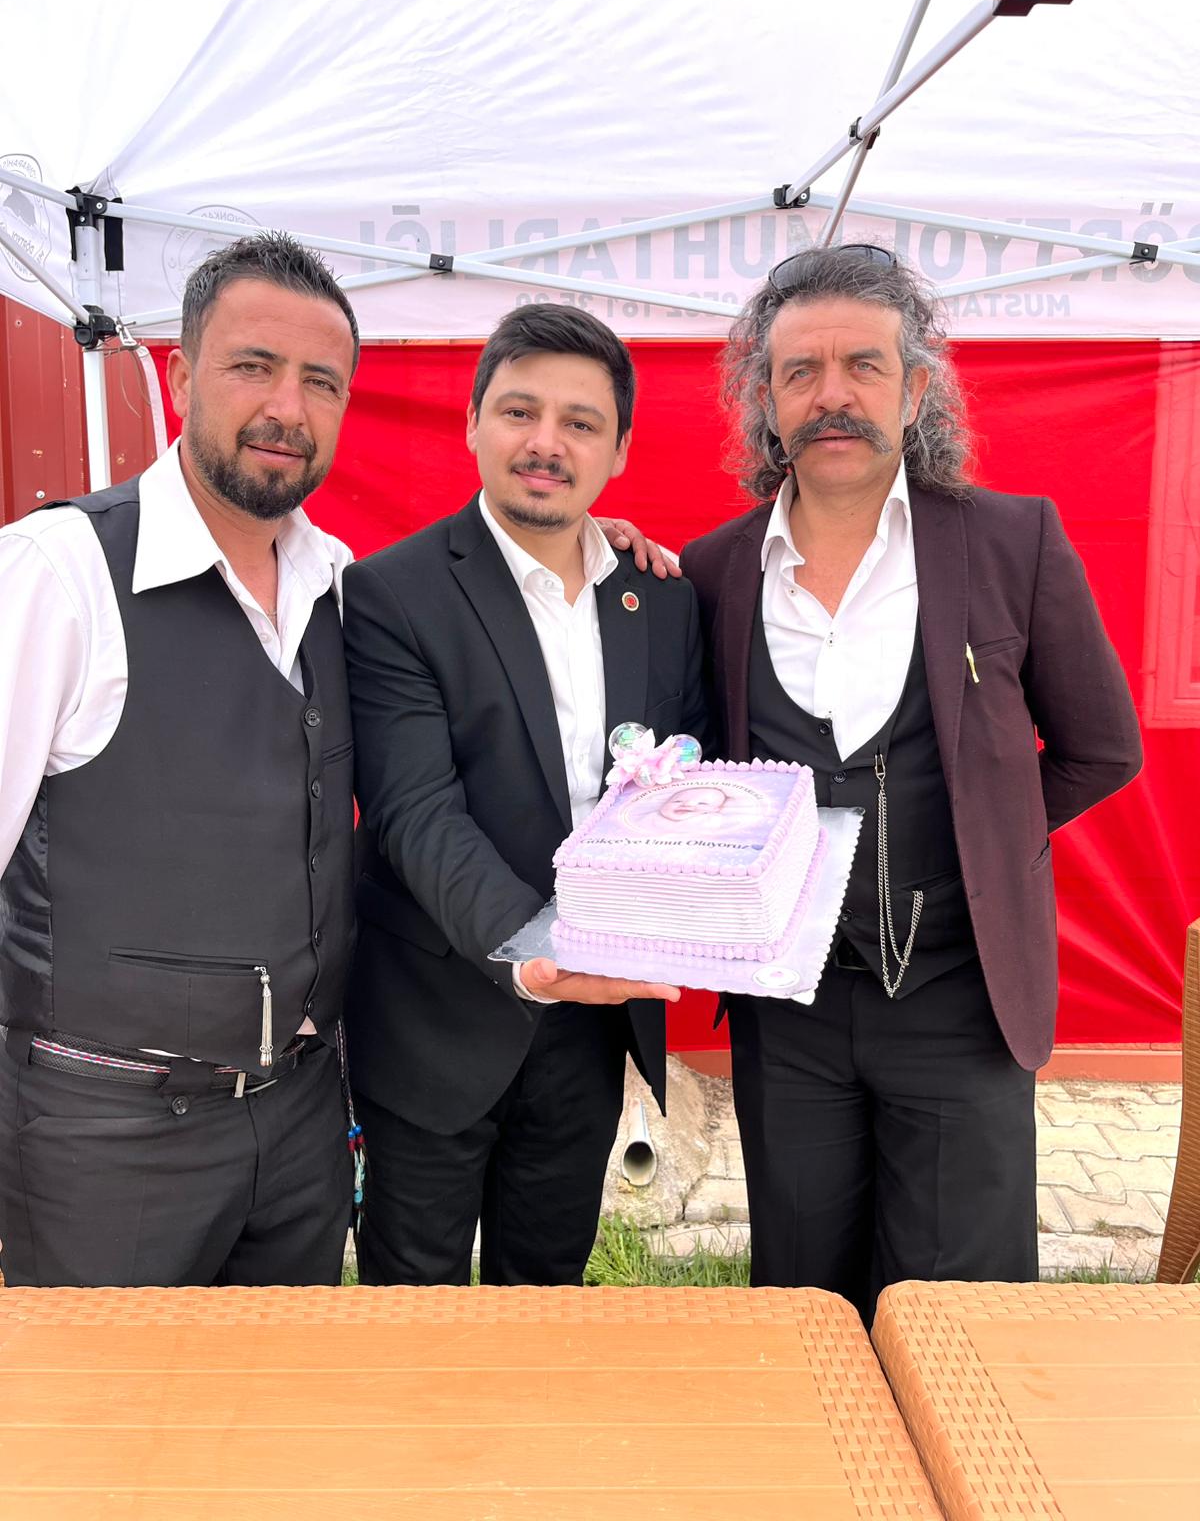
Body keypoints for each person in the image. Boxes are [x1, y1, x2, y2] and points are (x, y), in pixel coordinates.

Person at [678, 244, 1142, 1317]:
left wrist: (987, 834)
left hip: (961, 998)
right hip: (790, 1007)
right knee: (807, 1307)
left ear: (916, 389)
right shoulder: (711, 571)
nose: (831, 395)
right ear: (766, 401)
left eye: (864, 365)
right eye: (800, 371)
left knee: (963, 1316)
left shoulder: (1013, 541)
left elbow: (1101, 747)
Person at [0, 231, 361, 1287]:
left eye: (321, 381)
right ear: (180, 375)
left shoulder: (341, 584)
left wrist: (593, 546)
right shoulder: (59, 573)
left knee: (281, 1390)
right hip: (101, 1136)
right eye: (255, 365)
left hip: (299, 1120)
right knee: (98, 1399)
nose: (288, 407)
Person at [342, 303, 706, 1287]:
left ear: (619, 450)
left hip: (592, 1028)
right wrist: (538, 950)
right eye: (519, 412)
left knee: (547, 1291)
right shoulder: (392, 592)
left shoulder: (660, 598)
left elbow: (687, 781)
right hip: (436, 1014)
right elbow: (415, 810)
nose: (547, 443)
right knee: (410, 1301)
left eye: (581, 422)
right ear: (472, 423)